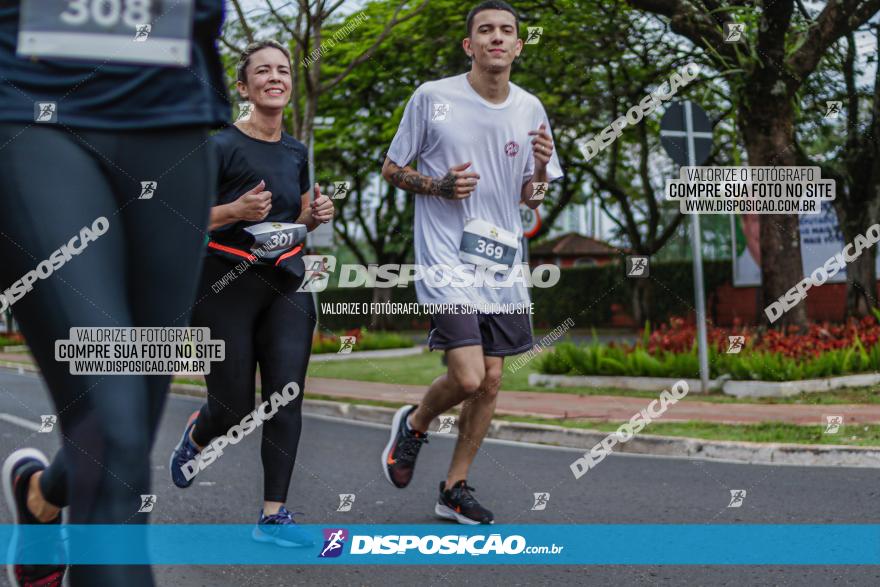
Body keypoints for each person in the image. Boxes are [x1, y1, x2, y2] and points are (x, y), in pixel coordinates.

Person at [0, 1, 230, 586]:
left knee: (124, 425)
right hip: (26, 94)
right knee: (116, 436)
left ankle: (41, 495)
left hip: (169, 104)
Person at [379, 0, 563, 524]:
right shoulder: (433, 98)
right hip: (445, 257)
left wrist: (543, 168)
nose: (497, 38)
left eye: (507, 30)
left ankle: (453, 487)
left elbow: (533, 196)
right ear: (470, 45)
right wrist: (437, 185)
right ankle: (414, 425)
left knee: (491, 382)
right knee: (465, 377)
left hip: (501, 262)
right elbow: (392, 167)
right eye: (486, 30)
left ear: (519, 45)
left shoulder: (530, 108)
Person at [168, 39, 334, 546]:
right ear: (244, 86)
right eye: (263, 71)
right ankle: (200, 432)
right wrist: (235, 212)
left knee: (287, 395)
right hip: (223, 284)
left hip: (285, 281)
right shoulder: (219, 146)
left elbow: (299, 215)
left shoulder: (296, 151)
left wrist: (316, 216)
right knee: (234, 406)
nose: (276, 77)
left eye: (283, 70)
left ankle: (273, 515)